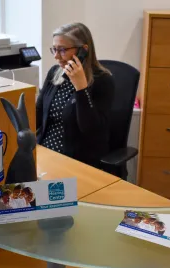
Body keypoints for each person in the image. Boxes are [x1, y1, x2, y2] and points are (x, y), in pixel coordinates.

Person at [36, 22, 115, 168]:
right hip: (44, 155)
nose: (56, 56)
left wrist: (81, 88)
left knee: (31, 191)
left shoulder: (103, 81)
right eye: (54, 49)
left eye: (62, 50)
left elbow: (91, 131)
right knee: (5, 190)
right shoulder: (55, 73)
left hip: (74, 163)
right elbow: (37, 115)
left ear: (83, 50)